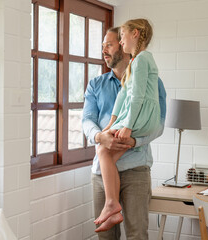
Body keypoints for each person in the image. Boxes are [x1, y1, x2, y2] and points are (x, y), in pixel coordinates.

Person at [82, 24, 167, 239]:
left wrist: (134, 141)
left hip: (135, 170)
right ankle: (111, 204)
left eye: (109, 45)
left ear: (122, 45)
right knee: (106, 237)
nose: (104, 51)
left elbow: (158, 125)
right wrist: (101, 136)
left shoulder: (152, 82)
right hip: (101, 173)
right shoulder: (96, 85)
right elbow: (87, 121)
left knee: (137, 235)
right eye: (103, 46)